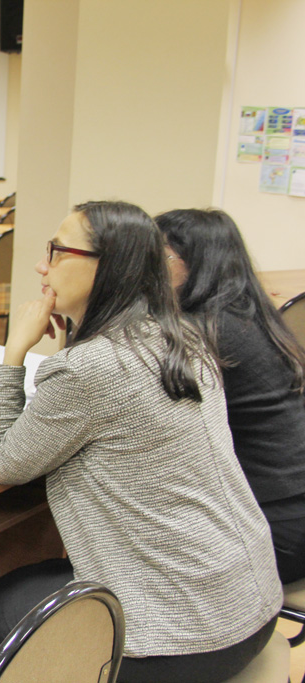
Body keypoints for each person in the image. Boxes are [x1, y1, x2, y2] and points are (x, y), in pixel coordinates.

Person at [0, 201, 281, 683]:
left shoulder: (91, 368)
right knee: (29, 580)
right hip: (247, 603)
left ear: (108, 267)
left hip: (180, 636)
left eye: (57, 251)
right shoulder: (183, 337)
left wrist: (14, 353)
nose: (42, 266)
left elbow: (2, 463)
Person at [157, 208, 305, 584]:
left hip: (273, 531)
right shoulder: (249, 313)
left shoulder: (203, 332)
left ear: (194, 264)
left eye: (159, 257)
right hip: (291, 514)